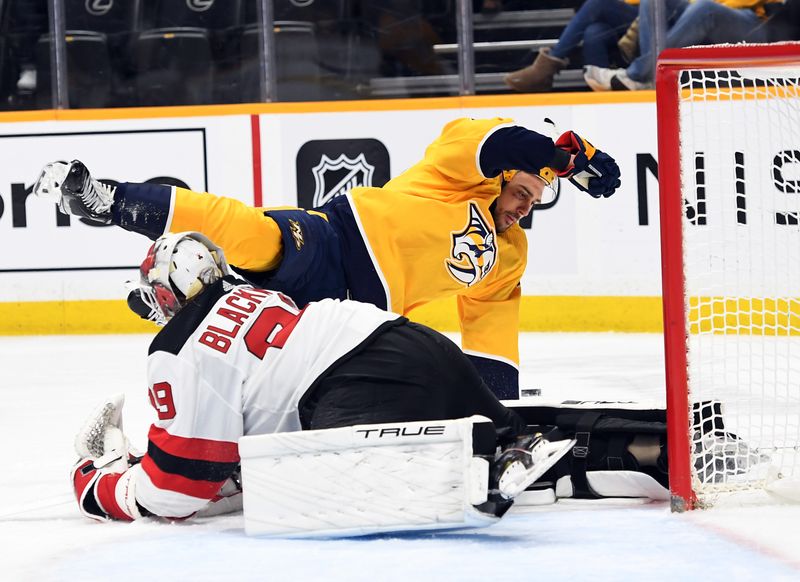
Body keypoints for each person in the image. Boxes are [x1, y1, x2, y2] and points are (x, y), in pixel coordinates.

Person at [34, 117, 621, 400]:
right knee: (253, 233)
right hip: (335, 242)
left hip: (359, 320)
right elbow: (499, 142)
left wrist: (496, 408)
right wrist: (566, 155)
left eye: (536, 200)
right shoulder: (457, 169)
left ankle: (189, 301)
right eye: (521, 191)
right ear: (500, 176)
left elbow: (492, 332)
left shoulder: (511, 254)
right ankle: (108, 200)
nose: (524, 207)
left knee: (263, 354)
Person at [70, 231, 575, 523]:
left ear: (168, 292)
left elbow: (180, 487)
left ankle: (476, 468)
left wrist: (97, 485)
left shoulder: (178, 347)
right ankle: (517, 444)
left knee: (327, 488)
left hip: (358, 389)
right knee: (499, 431)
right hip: (417, 343)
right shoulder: (258, 295)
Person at [583, 0, 779, 91]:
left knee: (705, 8)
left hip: (759, 23)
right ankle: (649, 78)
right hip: (713, 14)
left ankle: (639, 73)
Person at [505, 0, 640, 93]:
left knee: (598, 3)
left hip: (650, 15)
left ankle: (546, 66)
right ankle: (600, 93)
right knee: (594, 31)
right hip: (629, 17)